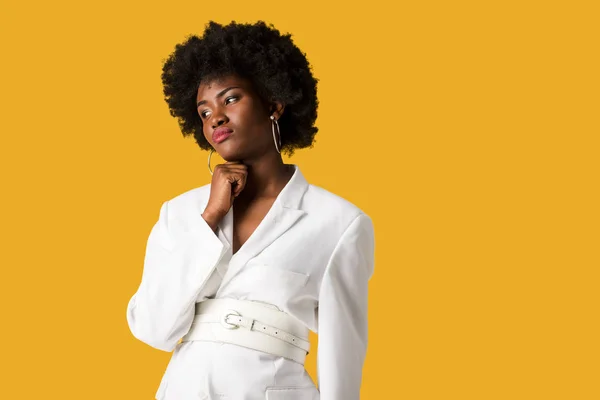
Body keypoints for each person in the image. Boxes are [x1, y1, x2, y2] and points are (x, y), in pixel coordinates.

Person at [126, 20, 375, 400]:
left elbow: (344, 354)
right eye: (204, 112)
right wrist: (208, 218)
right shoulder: (181, 214)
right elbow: (152, 329)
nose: (216, 119)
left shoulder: (339, 222)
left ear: (274, 104)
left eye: (230, 99)